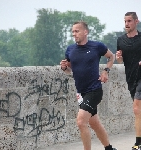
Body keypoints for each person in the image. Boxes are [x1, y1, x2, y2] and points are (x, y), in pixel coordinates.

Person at [60, 21, 117, 150]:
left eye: (77, 31)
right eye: (73, 31)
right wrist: (64, 68)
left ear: (85, 32)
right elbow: (70, 72)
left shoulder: (96, 46)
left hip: (94, 90)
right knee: (94, 123)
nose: (74, 34)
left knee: (81, 122)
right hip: (81, 92)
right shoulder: (70, 49)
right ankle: (109, 148)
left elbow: (111, 57)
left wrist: (105, 71)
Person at [116, 12, 141, 150]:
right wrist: (118, 57)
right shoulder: (120, 40)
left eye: (129, 21)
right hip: (131, 78)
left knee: (137, 108)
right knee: (139, 111)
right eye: (125, 21)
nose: (126, 24)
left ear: (136, 22)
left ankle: (138, 143)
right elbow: (121, 60)